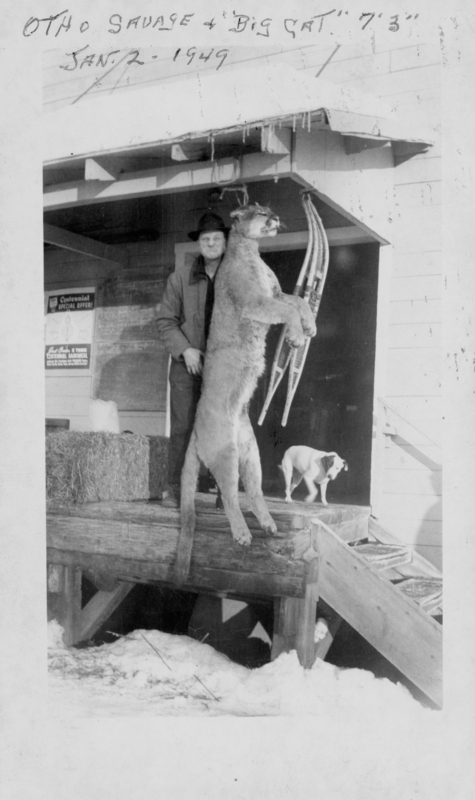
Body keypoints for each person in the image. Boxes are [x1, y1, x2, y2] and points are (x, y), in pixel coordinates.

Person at [156, 211, 229, 508]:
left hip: (224, 368)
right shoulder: (180, 278)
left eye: (216, 238)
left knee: (224, 427)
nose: (210, 243)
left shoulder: (235, 277)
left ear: (225, 242)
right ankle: (176, 489)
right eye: (205, 239)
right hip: (187, 364)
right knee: (184, 424)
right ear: (198, 243)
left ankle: (225, 492)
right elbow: (164, 321)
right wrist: (185, 349)